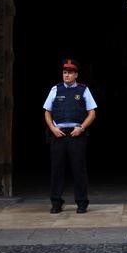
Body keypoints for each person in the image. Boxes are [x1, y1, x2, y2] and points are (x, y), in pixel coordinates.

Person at [43, 59, 97, 214]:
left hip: (76, 134)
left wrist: (81, 128)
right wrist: (52, 128)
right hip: (58, 134)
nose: (66, 75)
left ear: (76, 75)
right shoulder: (55, 89)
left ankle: (81, 202)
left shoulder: (83, 90)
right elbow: (47, 111)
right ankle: (56, 202)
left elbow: (92, 113)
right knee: (57, 169)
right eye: (65, 72)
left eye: (70, 73)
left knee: (78, 169)